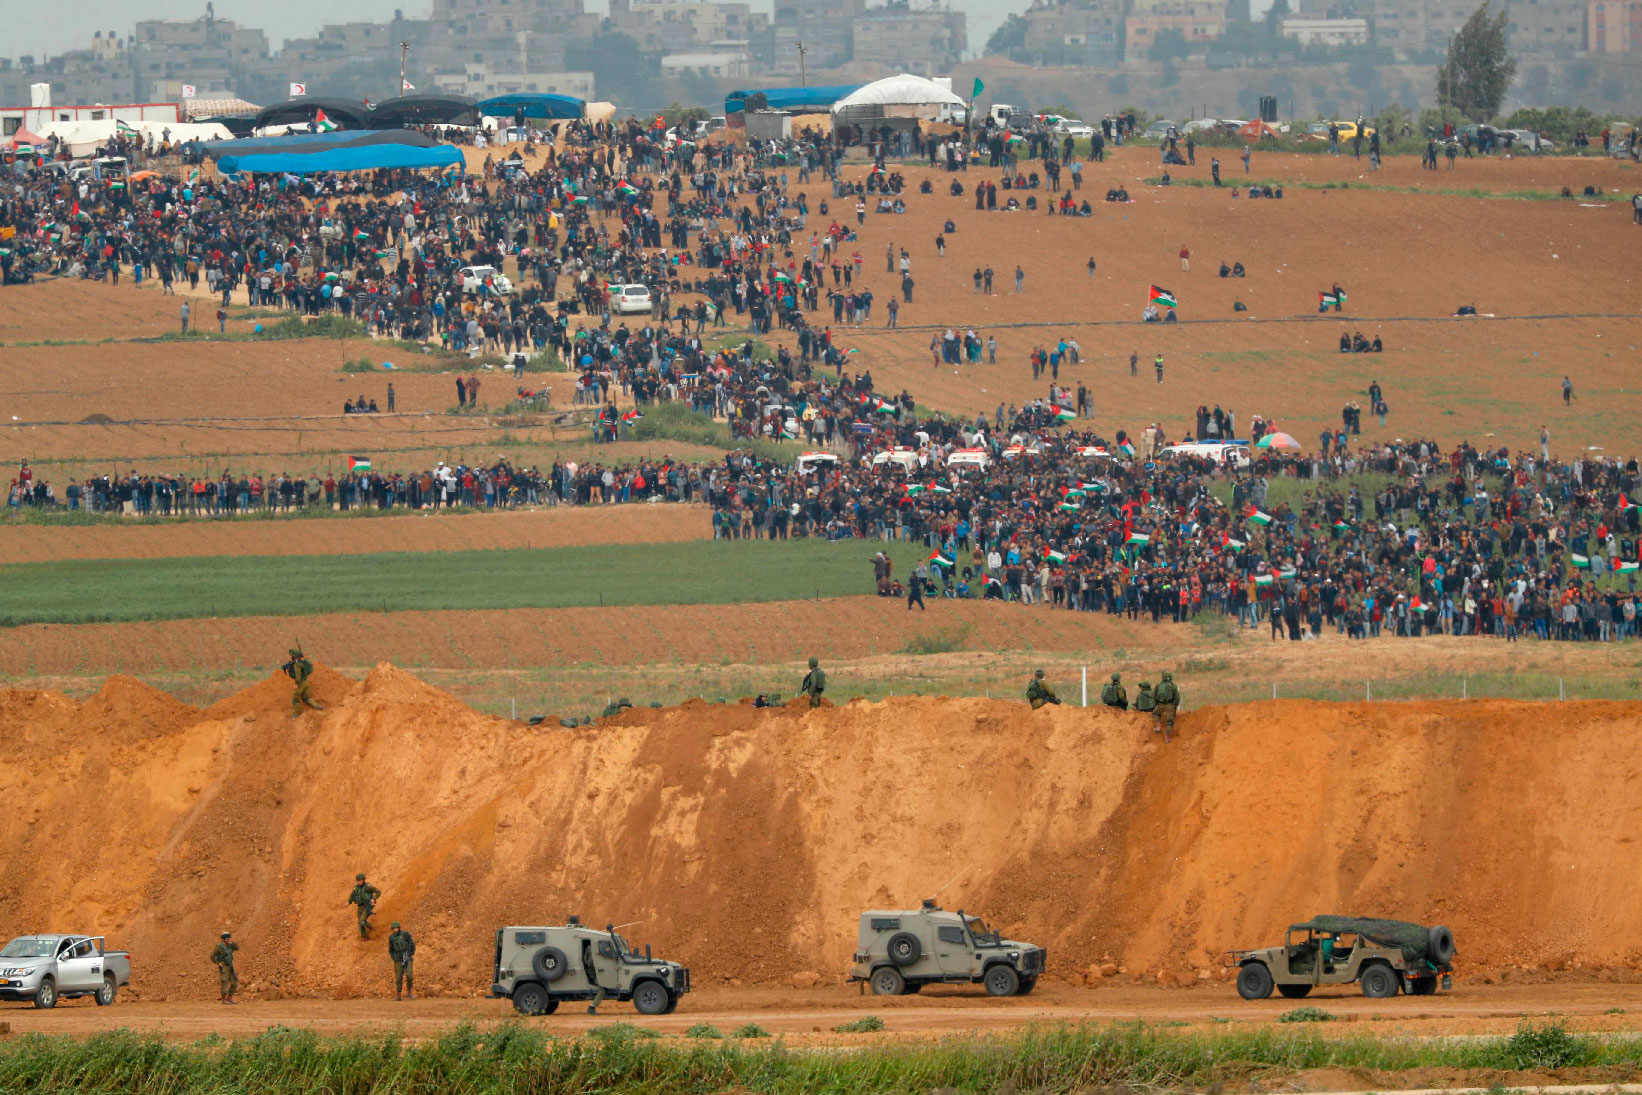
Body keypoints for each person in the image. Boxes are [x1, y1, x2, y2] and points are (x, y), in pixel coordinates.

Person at [283, 645, 323, 717]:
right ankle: (318, 706)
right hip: (306, 682)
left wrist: (296, 684)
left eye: (292, 656)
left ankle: (296, 714)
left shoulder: (297, 665)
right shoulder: (303, 663)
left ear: (294, 656)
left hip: (300, 684)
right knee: (306, 698)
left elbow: (297, 676)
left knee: (295, 700)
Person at [349, 873, 382, 940]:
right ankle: (365, 937)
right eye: (358, 880)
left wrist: (374, 898)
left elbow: (378, 892)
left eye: (360, 880)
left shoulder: (368, 886)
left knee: (362, 921)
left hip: (367, 906)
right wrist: (348, 901)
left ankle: (370, 927)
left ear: (363, 880)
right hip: (360, 907)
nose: (359, 882)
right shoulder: (356, 887)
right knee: (360, 923)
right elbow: (352, 895)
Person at [388, 922, 416, 1000]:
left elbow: (412, 943)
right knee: (398, 977)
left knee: (409, 975)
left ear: (399, 928)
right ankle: (398, 995)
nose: (395, 929)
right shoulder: (391, 938)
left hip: (407, 957)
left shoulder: (405, 934)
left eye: (397, 928)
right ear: (392, 929)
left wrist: (410, 953)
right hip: (398, 959)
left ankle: (409, 992)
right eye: (394, 928)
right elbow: (391, 949)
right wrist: (394, 957)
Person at [211, 931, 239, 1004]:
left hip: (230, 966)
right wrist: (218, 962)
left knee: (234, 982)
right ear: (223, 940)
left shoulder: (230, 945)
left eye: (228, 939)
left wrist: (232, 942)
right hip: (224, 966)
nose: (228, 940)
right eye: (226, 939)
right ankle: (224, 999)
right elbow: (212, 956)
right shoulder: (219, 947)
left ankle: (229, 998)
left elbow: (237, 948)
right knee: (225, 982)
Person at [1152, 671, 1181, 741]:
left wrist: (1156, 704)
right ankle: (1167, 736)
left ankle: (1158, 726)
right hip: (1170, 705)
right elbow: (1177, 698)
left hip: (1160, 704)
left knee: (1155, 714)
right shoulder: (1173, 686)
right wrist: (1175, 706)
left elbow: (1153, 696)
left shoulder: (1158, 685)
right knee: (1169, 722)